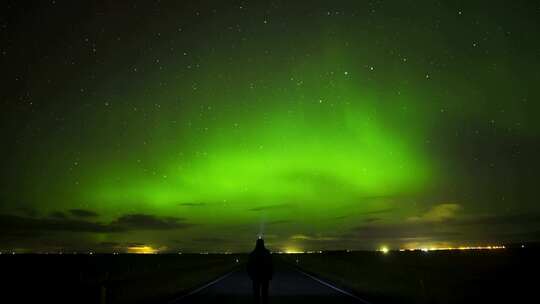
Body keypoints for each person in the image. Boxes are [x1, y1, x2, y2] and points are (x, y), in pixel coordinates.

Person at [247, 238, 273, 304]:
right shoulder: (267, 253)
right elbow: (271, 265)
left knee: (256, 293)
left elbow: (248, 266)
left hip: (255, 276)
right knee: (265, 293)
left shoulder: (252, 254)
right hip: (265, 276)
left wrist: (251, 275)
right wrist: (270, 275)